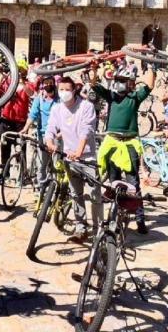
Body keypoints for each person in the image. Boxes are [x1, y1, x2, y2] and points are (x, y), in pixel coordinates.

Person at [90, 64, 156, 234]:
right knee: (114, 182)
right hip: (112, 142)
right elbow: (93, 84)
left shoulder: (135, 97)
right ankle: (115, 216)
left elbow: (149, 85)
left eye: (122, 81)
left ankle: (140, 220)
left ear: (130, 83)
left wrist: (149, 65)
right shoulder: (111, 96)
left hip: (130, 143)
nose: (118, 83)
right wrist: (94, 69)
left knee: (134, 183)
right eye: (117, 80)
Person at [43, 76, 98, 236]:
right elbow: (50, 128)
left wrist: (79, 151)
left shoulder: (86, 106)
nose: (64, 93)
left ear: (74, 90)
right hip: (69, 157)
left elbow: (86, 130)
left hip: (87, 157)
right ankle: (81, 228)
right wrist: (49, 142)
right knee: (76, 194)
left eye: (67, 89)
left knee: (95, 194)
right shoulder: (57, 109)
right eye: (61, 89)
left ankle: (98, 229)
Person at [0, 60, 34, 185]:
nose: (18, 72)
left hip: (20, 121)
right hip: (6, 119)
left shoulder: (28, 84)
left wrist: (21, 82)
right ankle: (5, 173)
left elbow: (31, 93)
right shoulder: (7, 82)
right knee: (4, 147)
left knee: (20, 149)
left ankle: (22, 174)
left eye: (20, 70)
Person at [21, 79, 58, 190]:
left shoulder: (59, 100)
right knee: (41, 164)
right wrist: (25, 128)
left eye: (50, 83)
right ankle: (41, 189)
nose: (48, 85)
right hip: (42, 135)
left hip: (57, 136)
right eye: (46, 83)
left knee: (57, 165)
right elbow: (32, 115)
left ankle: (55, 189)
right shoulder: (39, 99)